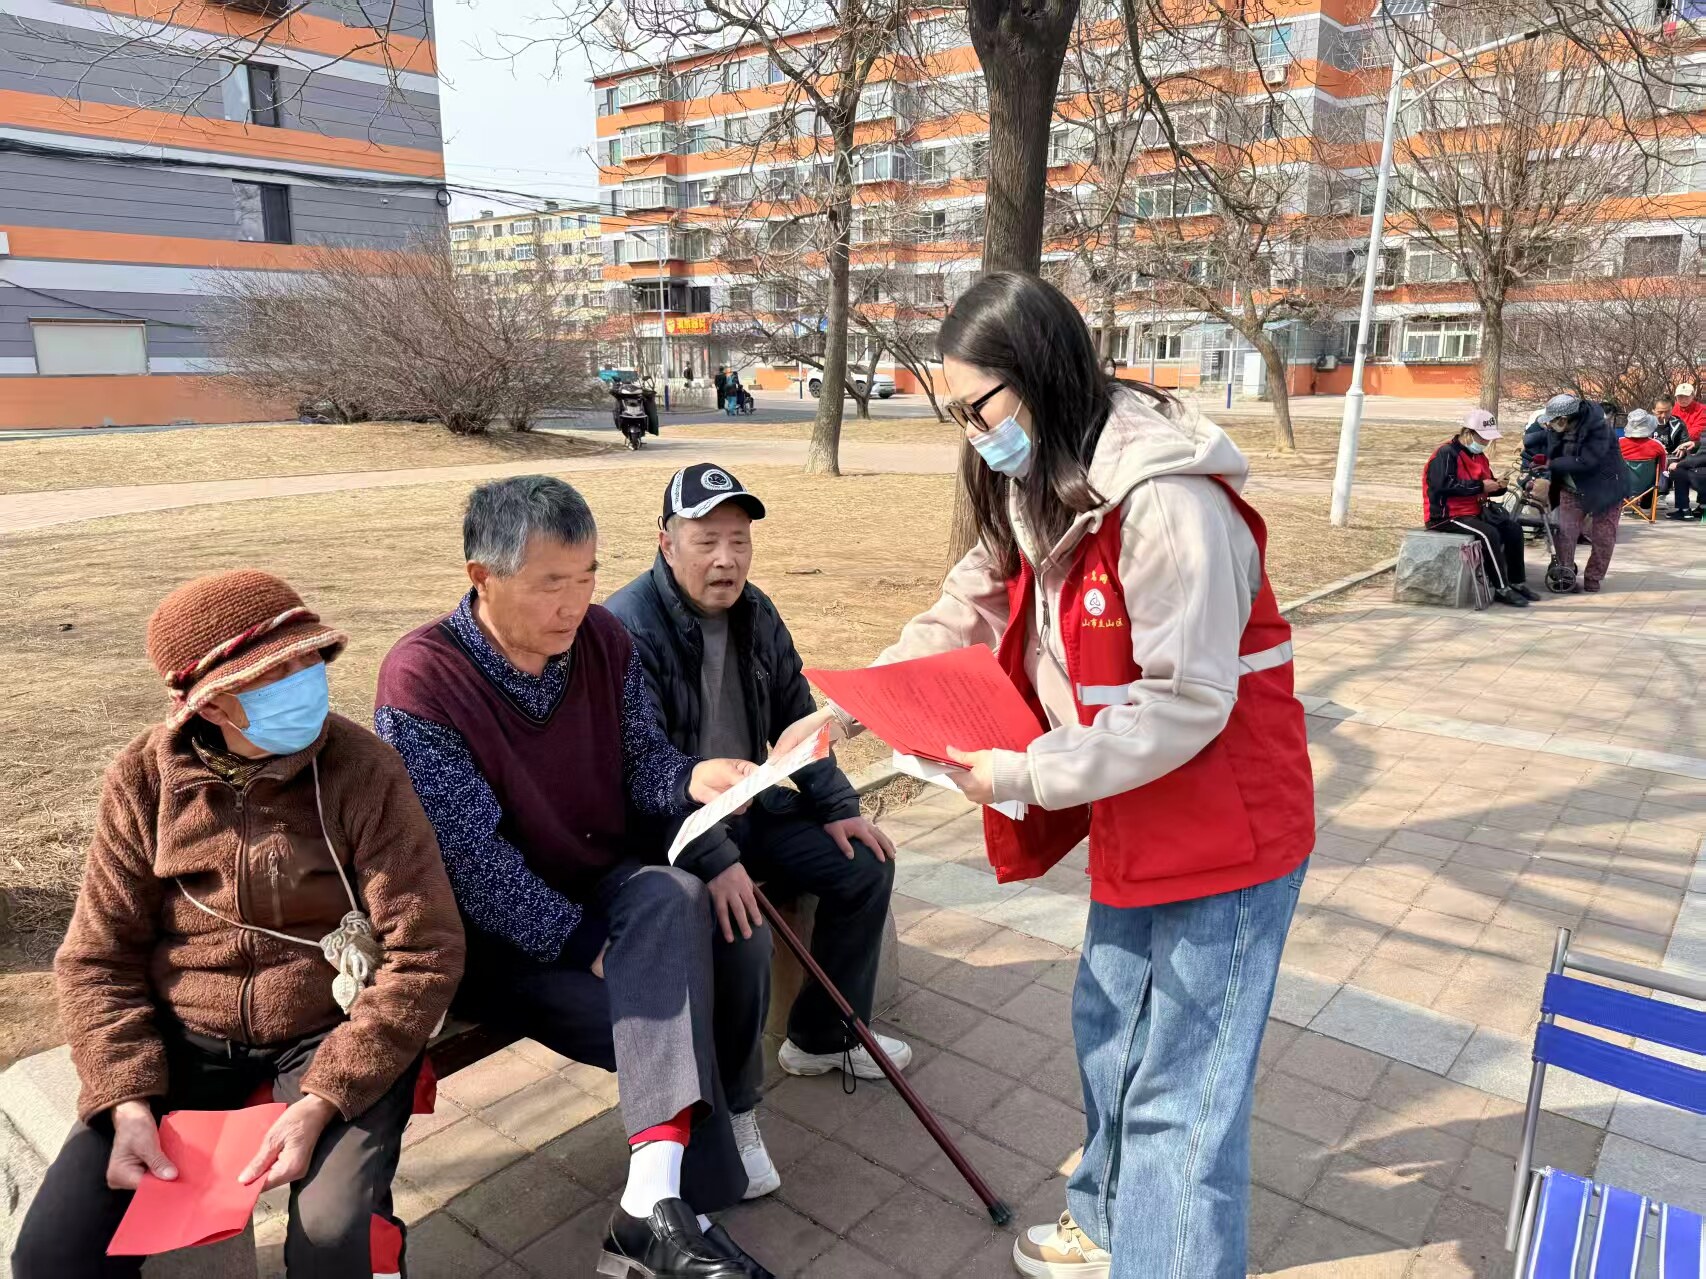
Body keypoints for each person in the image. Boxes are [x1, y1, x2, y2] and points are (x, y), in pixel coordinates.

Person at [776, 273, 1315, 1279]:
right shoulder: (1043, 478)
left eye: (977, 406)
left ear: (1038, 376)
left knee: (1183, 1092)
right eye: (956, 412)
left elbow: (1187, 702)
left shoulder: (1166, 501)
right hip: (1135, 805)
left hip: (1228, 829)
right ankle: (1108, 1222)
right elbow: (969, 605)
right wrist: (851, 707)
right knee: (1109, 1030)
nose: (972, 432)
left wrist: (1027, 770)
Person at [14, 570, 466, 1279]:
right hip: (183, 1041)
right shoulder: (143, 781)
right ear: (212, 700)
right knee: (52, 1255)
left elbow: (425, 950)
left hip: (331, 1031)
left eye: (309, 658)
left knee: (332, 1235)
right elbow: (98, 958)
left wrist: (325, 1097)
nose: (306, 679)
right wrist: (125, 1098)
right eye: (276, 671)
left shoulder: (364, 770)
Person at [374, 477, 767, 1279]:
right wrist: (586, 943)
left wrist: (689, 777)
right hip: (502, 942)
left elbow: (641, 760)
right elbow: (472, 864)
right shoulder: (423, 677)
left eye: (588, 577)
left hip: (604, 885)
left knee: (675, 893)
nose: (576, 603)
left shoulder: (603, 640)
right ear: (483, 577)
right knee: (669, 1003)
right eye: (552, 582)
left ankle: (651, 1202)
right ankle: (676, 1209)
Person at [606, 463, 911, 1201]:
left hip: (754, 809)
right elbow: (642, 769)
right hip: (673, 832)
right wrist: (716, 859)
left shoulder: (756, 612)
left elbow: (795, 715)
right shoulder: (627, 629)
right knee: (739, 928)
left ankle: (824, 1035)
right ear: (666, 541)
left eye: (739, 540)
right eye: (707, 540)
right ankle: (738, 1110)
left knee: (862, 863)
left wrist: (837, 805)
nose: (726, 559)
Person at [1423, 409, 1538, 607]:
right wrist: (1481, 486)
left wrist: (1498, 486)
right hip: (1446, 515)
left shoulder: (1480, 457)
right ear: (1468, 433)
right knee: (1488, 534)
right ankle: (1501, 588)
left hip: (1475, 511)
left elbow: (1486, 485)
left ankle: (1516, 581)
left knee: (1513, 529)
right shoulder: (1446, 453)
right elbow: (1443, 485)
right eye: (1483, 437)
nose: (1485, 442)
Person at [1536, 392, 1623, 591]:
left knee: (1603, 536)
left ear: (1564, 419)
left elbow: (1586, 462)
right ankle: (1564, 574)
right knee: (1564, 531)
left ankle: (1593, 578)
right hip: (1571, 488)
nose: (1550, 425)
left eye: (1553, 421)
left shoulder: (1599, 433)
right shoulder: (1558, 430)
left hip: (1607, 490)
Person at [1664, 382, 1706, 518]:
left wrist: (1685, 442)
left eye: (1686, 396)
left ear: (1693, 396)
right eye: (1680, 396)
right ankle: (1661, 497)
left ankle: (1700, 505)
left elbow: (1699, 430)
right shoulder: (1673, 409)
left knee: (1682, 469)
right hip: (1679, 446)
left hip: (1696, 447)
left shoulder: (1702, 410)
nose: (1683, 399)